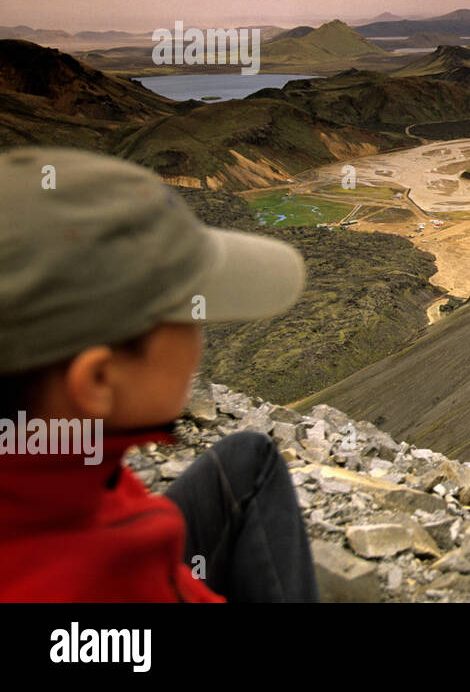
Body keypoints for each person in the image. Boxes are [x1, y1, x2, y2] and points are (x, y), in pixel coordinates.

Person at [0, 147, 319, 601]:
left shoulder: (57, 455)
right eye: (186, 317)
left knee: (249, 456)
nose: (200, 339)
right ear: (98, 381)